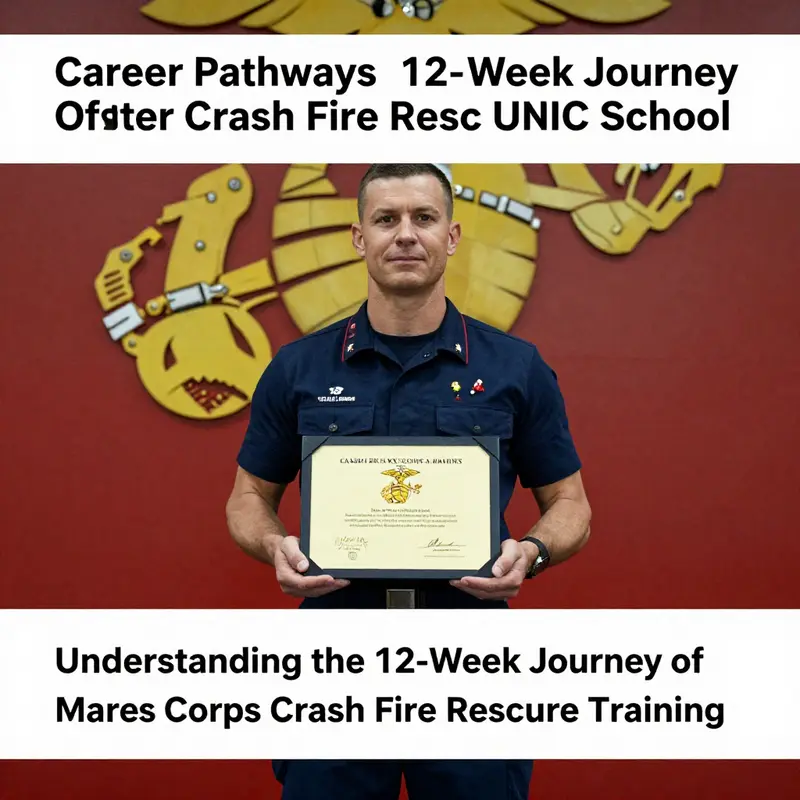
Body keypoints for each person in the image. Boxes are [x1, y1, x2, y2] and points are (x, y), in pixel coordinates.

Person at [226, 163, 592, 799]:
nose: (405, 235)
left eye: (423, 218)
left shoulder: (516, 368)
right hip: (335, 656)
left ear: (451, 237)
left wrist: (531, 553)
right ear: (357, 236)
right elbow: (247, 499)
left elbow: (571, 504)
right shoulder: (297, 369)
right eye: (385, 219)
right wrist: (273, 546)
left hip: (470, 658)